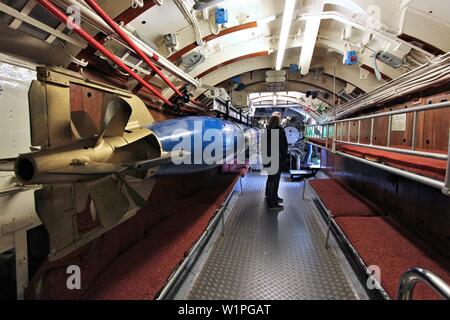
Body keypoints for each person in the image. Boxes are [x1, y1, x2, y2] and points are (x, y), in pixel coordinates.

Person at [265, 112, 288, 210]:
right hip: (276, 157)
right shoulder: (280, 131)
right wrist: (284, 157)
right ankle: (272, 203)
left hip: (268, 157)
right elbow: (284, 145)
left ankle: (271, 196)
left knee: (270, 178)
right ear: (278, 122)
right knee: (275, 180)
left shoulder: (267, 130)